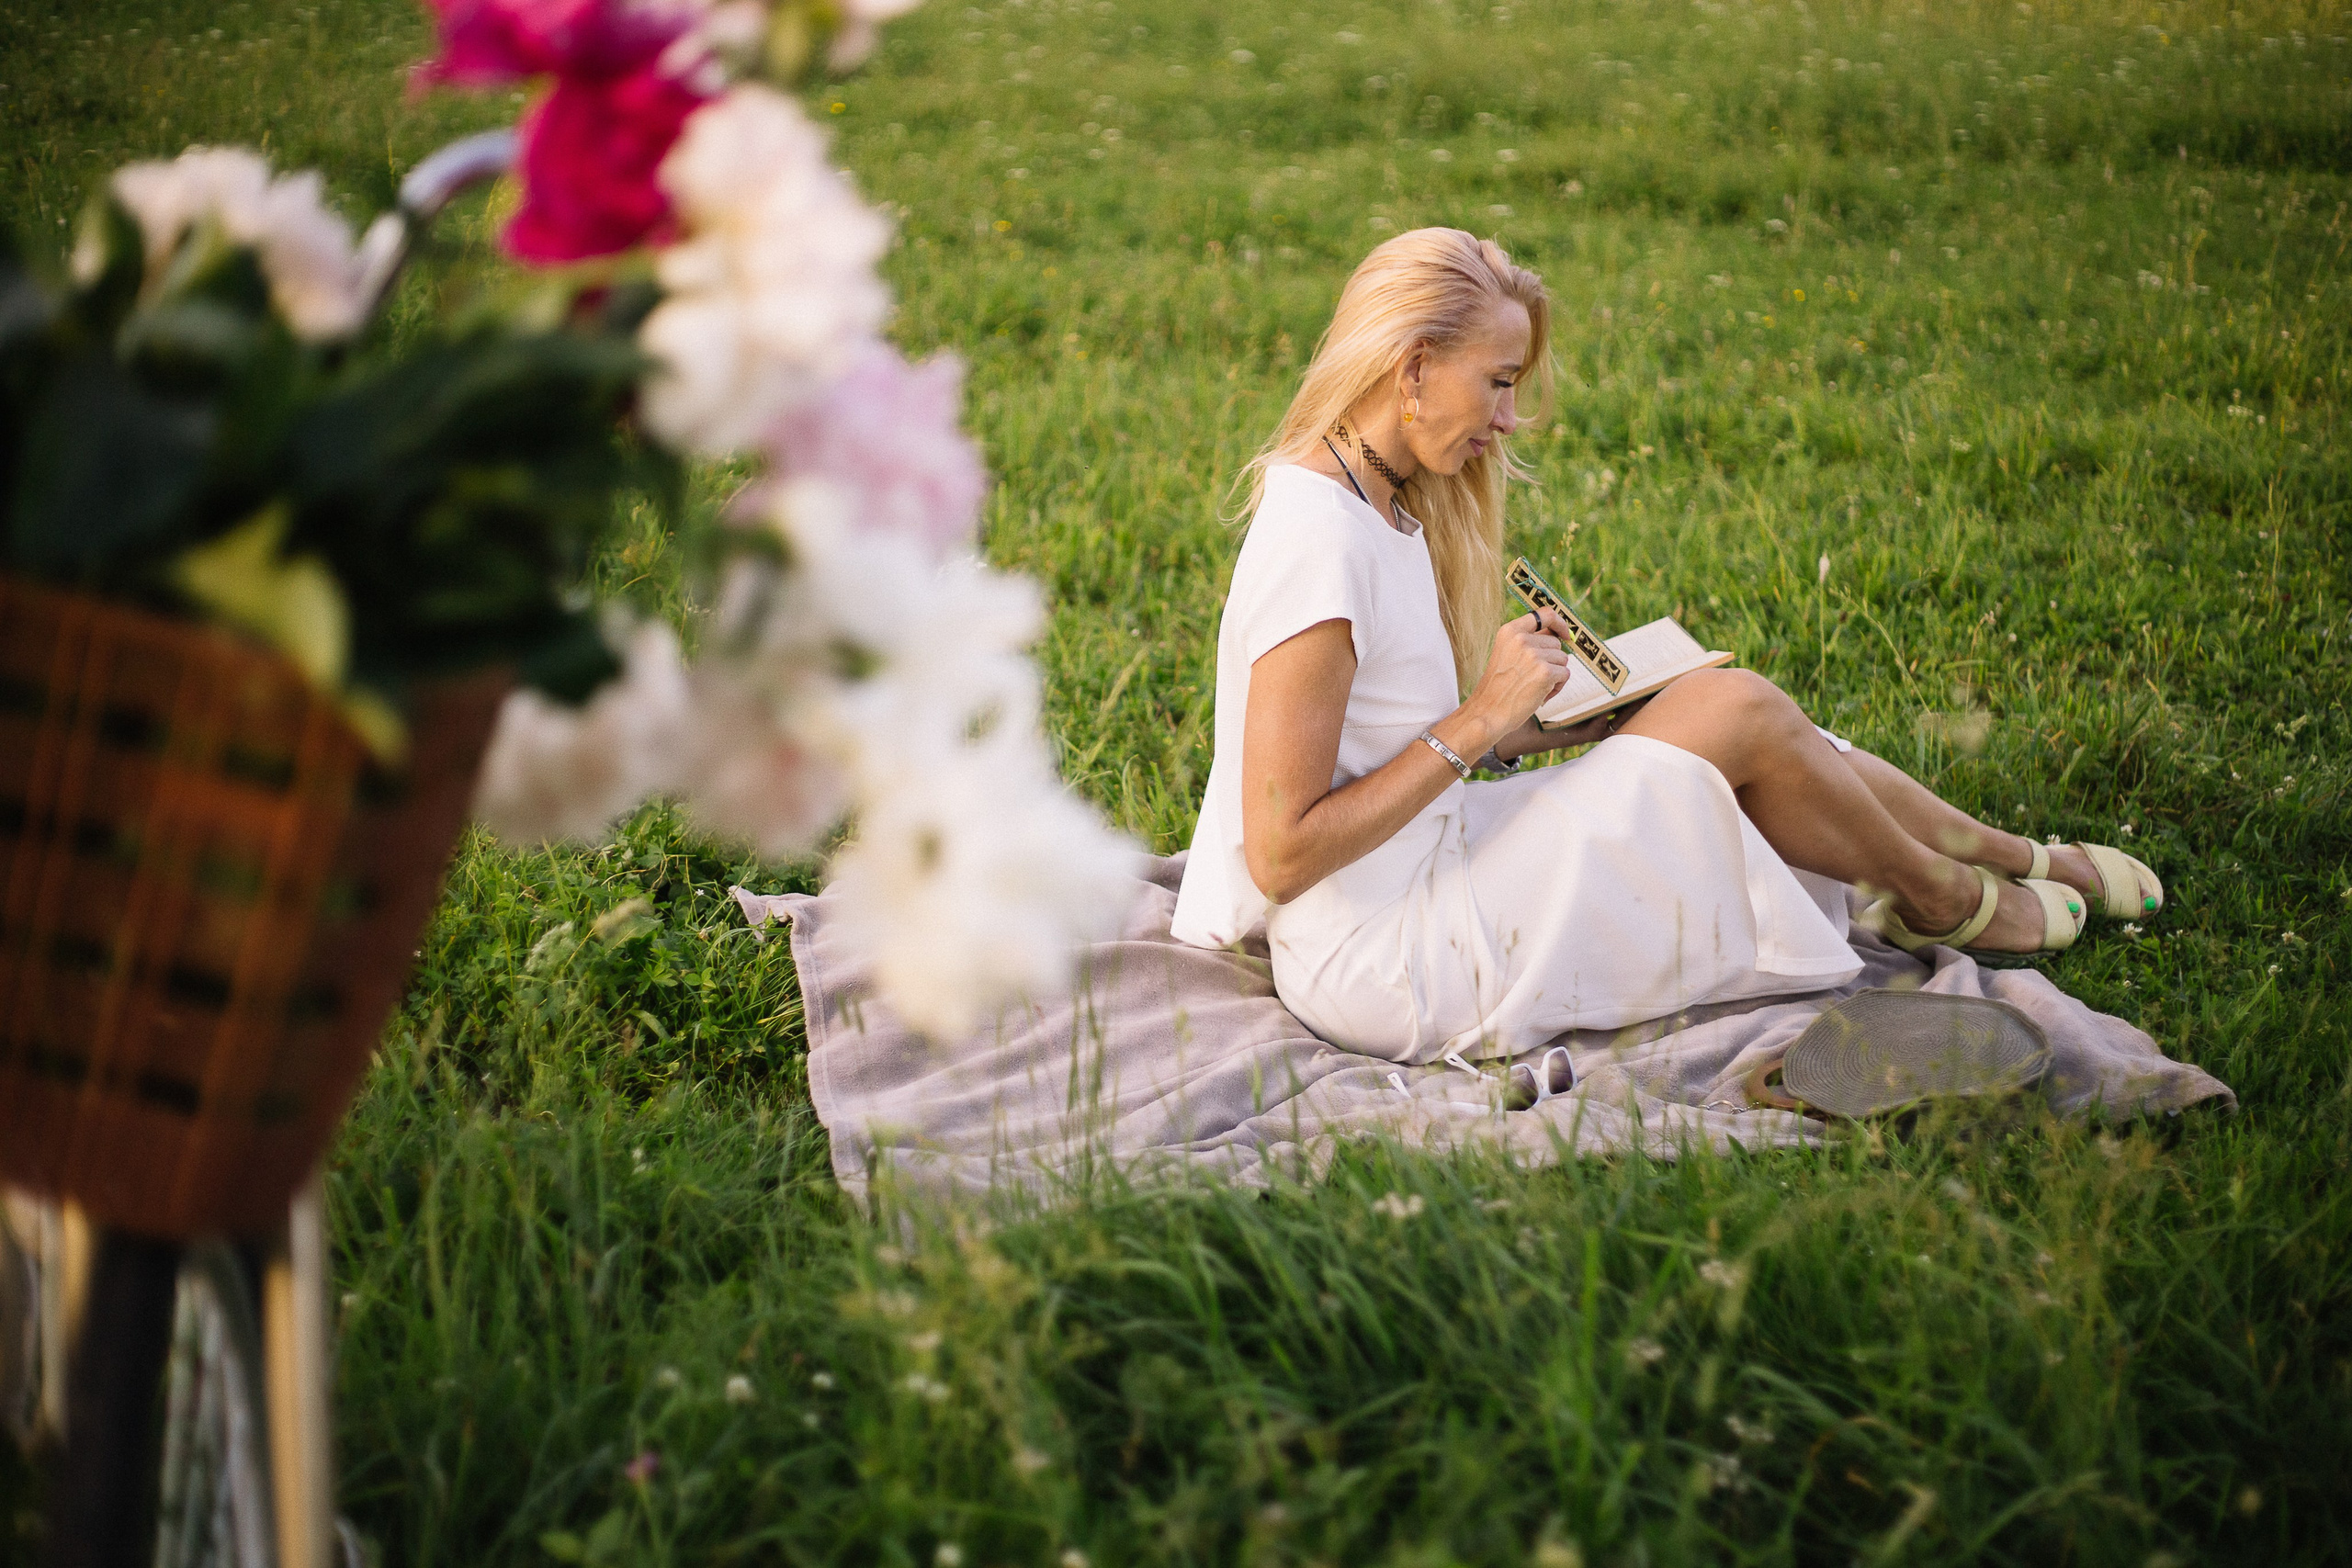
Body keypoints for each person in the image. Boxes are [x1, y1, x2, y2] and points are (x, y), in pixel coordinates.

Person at [1170, 228, 2163, 1066]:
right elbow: (1284, 850)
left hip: (1427, 864)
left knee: (1739, 716)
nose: (1510, 419)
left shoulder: (1375, 492)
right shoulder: (1318, 539)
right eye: (1500, 383)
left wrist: (1530, 728)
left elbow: (1371, 742)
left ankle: (1996, 856)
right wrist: (1481, 718)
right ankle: (1942, 896)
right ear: (1414, 367)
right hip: (1384, 957)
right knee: (1731, 717)